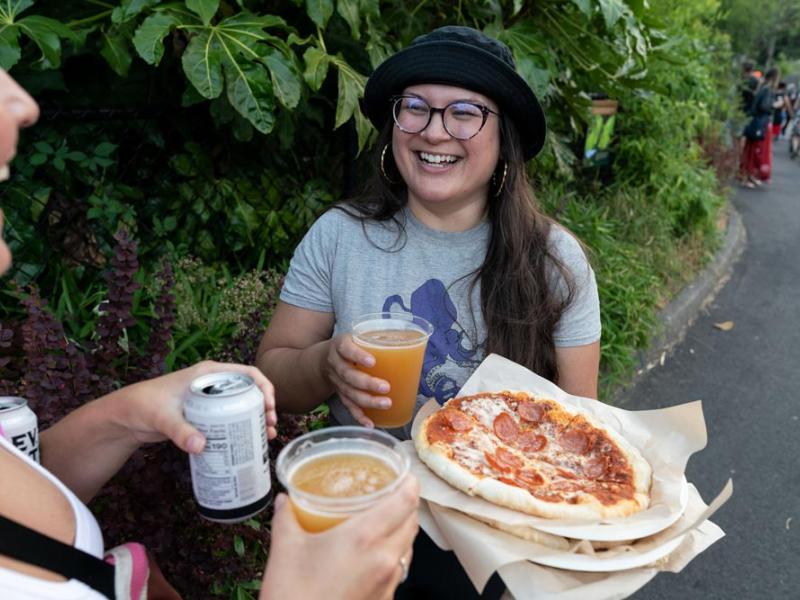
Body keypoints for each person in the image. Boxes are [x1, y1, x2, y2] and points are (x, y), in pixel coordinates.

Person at [0, 68, 419, 600]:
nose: (22, 102)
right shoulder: (341, 233)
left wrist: (125, 414)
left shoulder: (551, 253)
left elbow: (29, 491)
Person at [257, 26, 601, 599]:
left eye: (465, 112)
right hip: (354, 516)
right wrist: (325, 365)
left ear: (504, 138)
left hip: (490, 531)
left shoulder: (554, 261)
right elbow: (273, 375)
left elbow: (582, 428)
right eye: (415, 107)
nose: (435, 130)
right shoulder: (339, 237)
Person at [739, 67, 782, 187]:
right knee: (754, 151)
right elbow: (764, 106)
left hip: (755, 122)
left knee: (751, 150)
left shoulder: (762, 87)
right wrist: (775, 105)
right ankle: (747, 177)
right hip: (759, 123)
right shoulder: (768, 90)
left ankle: (748, 176)